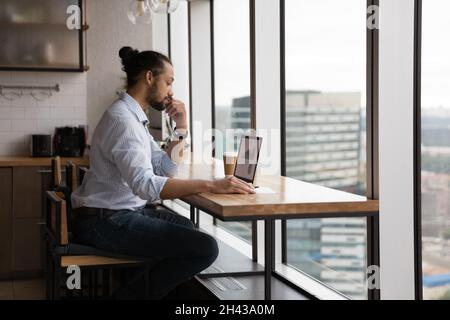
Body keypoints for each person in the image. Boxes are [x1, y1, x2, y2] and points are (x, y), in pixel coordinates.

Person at [71, 46, 255, 299]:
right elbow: (146, 186)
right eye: (168, 82)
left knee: (188, 228)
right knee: (205, 248)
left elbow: (164, 168)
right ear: (149, 77)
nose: (171, 91)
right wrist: (212, 185)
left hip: (117, 212)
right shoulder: (123, 121)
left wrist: (181, 127)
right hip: (104, 221)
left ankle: (133, 287)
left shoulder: (134, 117)